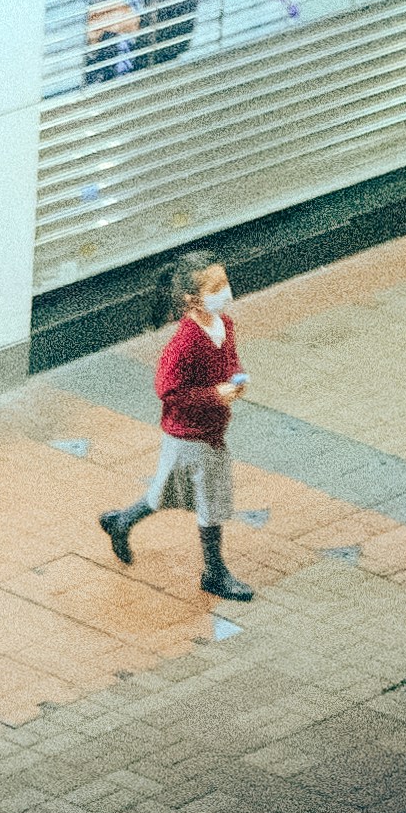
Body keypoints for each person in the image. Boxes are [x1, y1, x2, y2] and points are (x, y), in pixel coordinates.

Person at [96, 252, 258, 601]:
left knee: (165, 491)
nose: (225, 291)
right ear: (192, 298)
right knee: (210, 499)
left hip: (210, 429)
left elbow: (229, 360)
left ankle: (122, 521)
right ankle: (214, 573)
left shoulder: (223, 325)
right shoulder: (184, 342)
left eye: (224, 281)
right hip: (189, 434)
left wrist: (234, 380)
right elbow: (168, 390)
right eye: (216, 286)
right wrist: (215, 395)